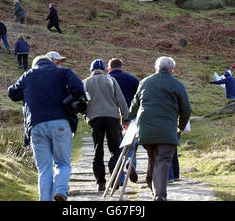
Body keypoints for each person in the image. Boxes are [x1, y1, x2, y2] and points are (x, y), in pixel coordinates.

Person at [7, 53, 85, 201]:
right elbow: (79, 89)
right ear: (51, 62)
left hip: (36, 125)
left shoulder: (28, 75)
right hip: (61, 122)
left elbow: (12, 93)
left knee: (44, 169)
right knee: (62, 163)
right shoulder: (62, 72)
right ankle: (60, 191)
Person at [128, 56, 191, 201]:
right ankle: (160, 194)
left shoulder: (145, 82)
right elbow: (186, 109)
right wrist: (180, 126)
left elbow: (134, 104)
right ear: (172, 69)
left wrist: (126, 120)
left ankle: (152, 185)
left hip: (145, 129)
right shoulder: (177, 84)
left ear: (156, 67)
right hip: (167, 130)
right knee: (162, 159)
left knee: (153, 157)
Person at [82, 59, 129, 192]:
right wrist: (126, 119)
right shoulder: (111, 80)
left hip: (95, 119)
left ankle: (100, 182)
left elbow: (81, 104)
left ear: (91, 70)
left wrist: (87, 115)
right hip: (112, 117)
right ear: (104, 69)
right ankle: (113, 171)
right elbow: (121, 101)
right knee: (116, 149)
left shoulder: (84, 83)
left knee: (98, 151)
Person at [107, 58, 139, 183]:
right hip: (130, 117)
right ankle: (130, 165)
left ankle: (118, 179)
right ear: (121, 67)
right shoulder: (132, 79)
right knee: (131, 145)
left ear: (109, 68)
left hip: (112, 118)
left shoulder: (106, 81)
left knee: (116, 148)